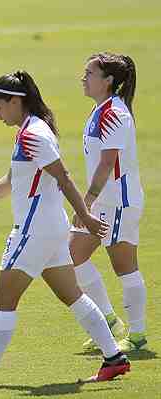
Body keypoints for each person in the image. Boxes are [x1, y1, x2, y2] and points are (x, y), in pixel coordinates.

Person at [0, 71, 130, 386]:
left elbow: (64, 176)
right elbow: (12, 180)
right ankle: (114, 358)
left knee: (5, 298)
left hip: (34, 230)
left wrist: (84, 215)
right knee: (72, 294)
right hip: (49, 228)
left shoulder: (34, 134)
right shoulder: (30, 131)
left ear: (16, 101)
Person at [72, 52, 146, 352]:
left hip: (117, 202)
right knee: (71, 257)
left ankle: (138, 335)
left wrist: (85, 200)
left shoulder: (114, 113)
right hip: (103, 202)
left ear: (108, 81)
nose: (83, 78)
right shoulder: (100, 110)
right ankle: (109, 320)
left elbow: (107, 163)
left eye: (89, 73)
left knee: (124, 267)